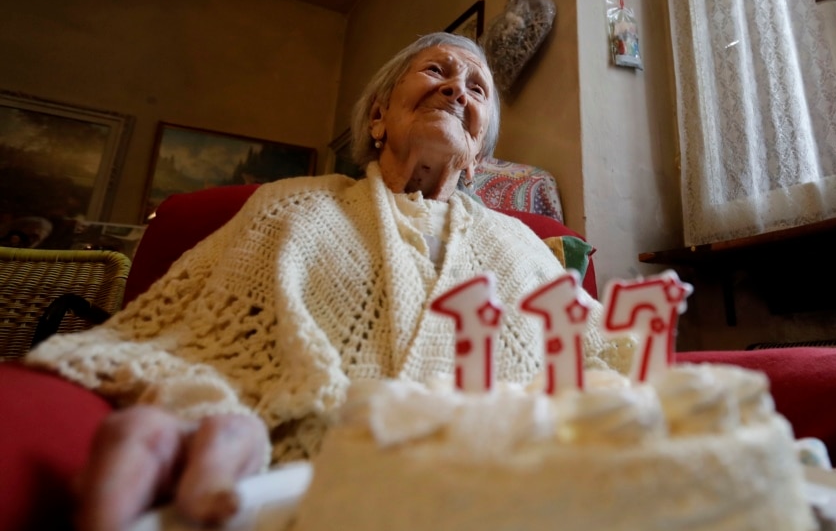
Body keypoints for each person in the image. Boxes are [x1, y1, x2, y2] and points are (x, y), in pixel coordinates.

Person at [25, 32, 626, 531]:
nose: (454, 88)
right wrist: (207, 410)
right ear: (377, 117)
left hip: (505, 495)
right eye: (435, 71)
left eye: (476, 88)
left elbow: (613, 356)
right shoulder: (288, 207)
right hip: (293, 484)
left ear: (477, 153)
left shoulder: (524, 245)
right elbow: (178, 342)